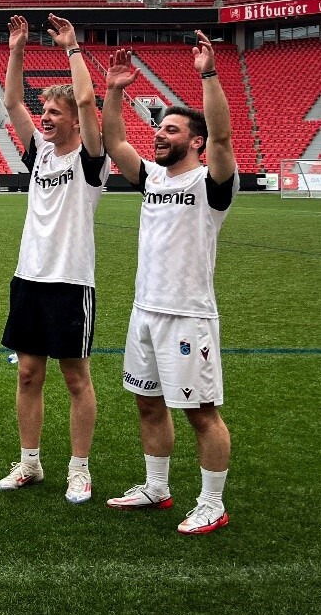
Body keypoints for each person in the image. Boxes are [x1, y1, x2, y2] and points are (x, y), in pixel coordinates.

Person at [101, 33, 237, 535]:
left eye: (171, 130)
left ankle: (212, 502)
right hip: (145, 310)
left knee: (202, 413)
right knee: (148, 403)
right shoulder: (153, 180)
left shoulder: (211, 184)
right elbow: (115, 141)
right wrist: (114, 89)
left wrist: (207, 74)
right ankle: (157, 487)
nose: (159, 135)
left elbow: (223, 140)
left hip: (188, 314)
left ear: (195, 141)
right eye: (159, 128)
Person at [0, 14, 109, 504]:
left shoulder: (92, 160)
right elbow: (11, 102)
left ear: (75, 120)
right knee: (27, 373)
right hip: (30, 276)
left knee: (75, 376)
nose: (46, 118)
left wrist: (72, 48)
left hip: (70, 279)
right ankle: (30, 463)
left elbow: (87, 99)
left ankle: (79, 469)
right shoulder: (39, 153)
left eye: (55, 113)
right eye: (46, 112)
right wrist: (18, 48)